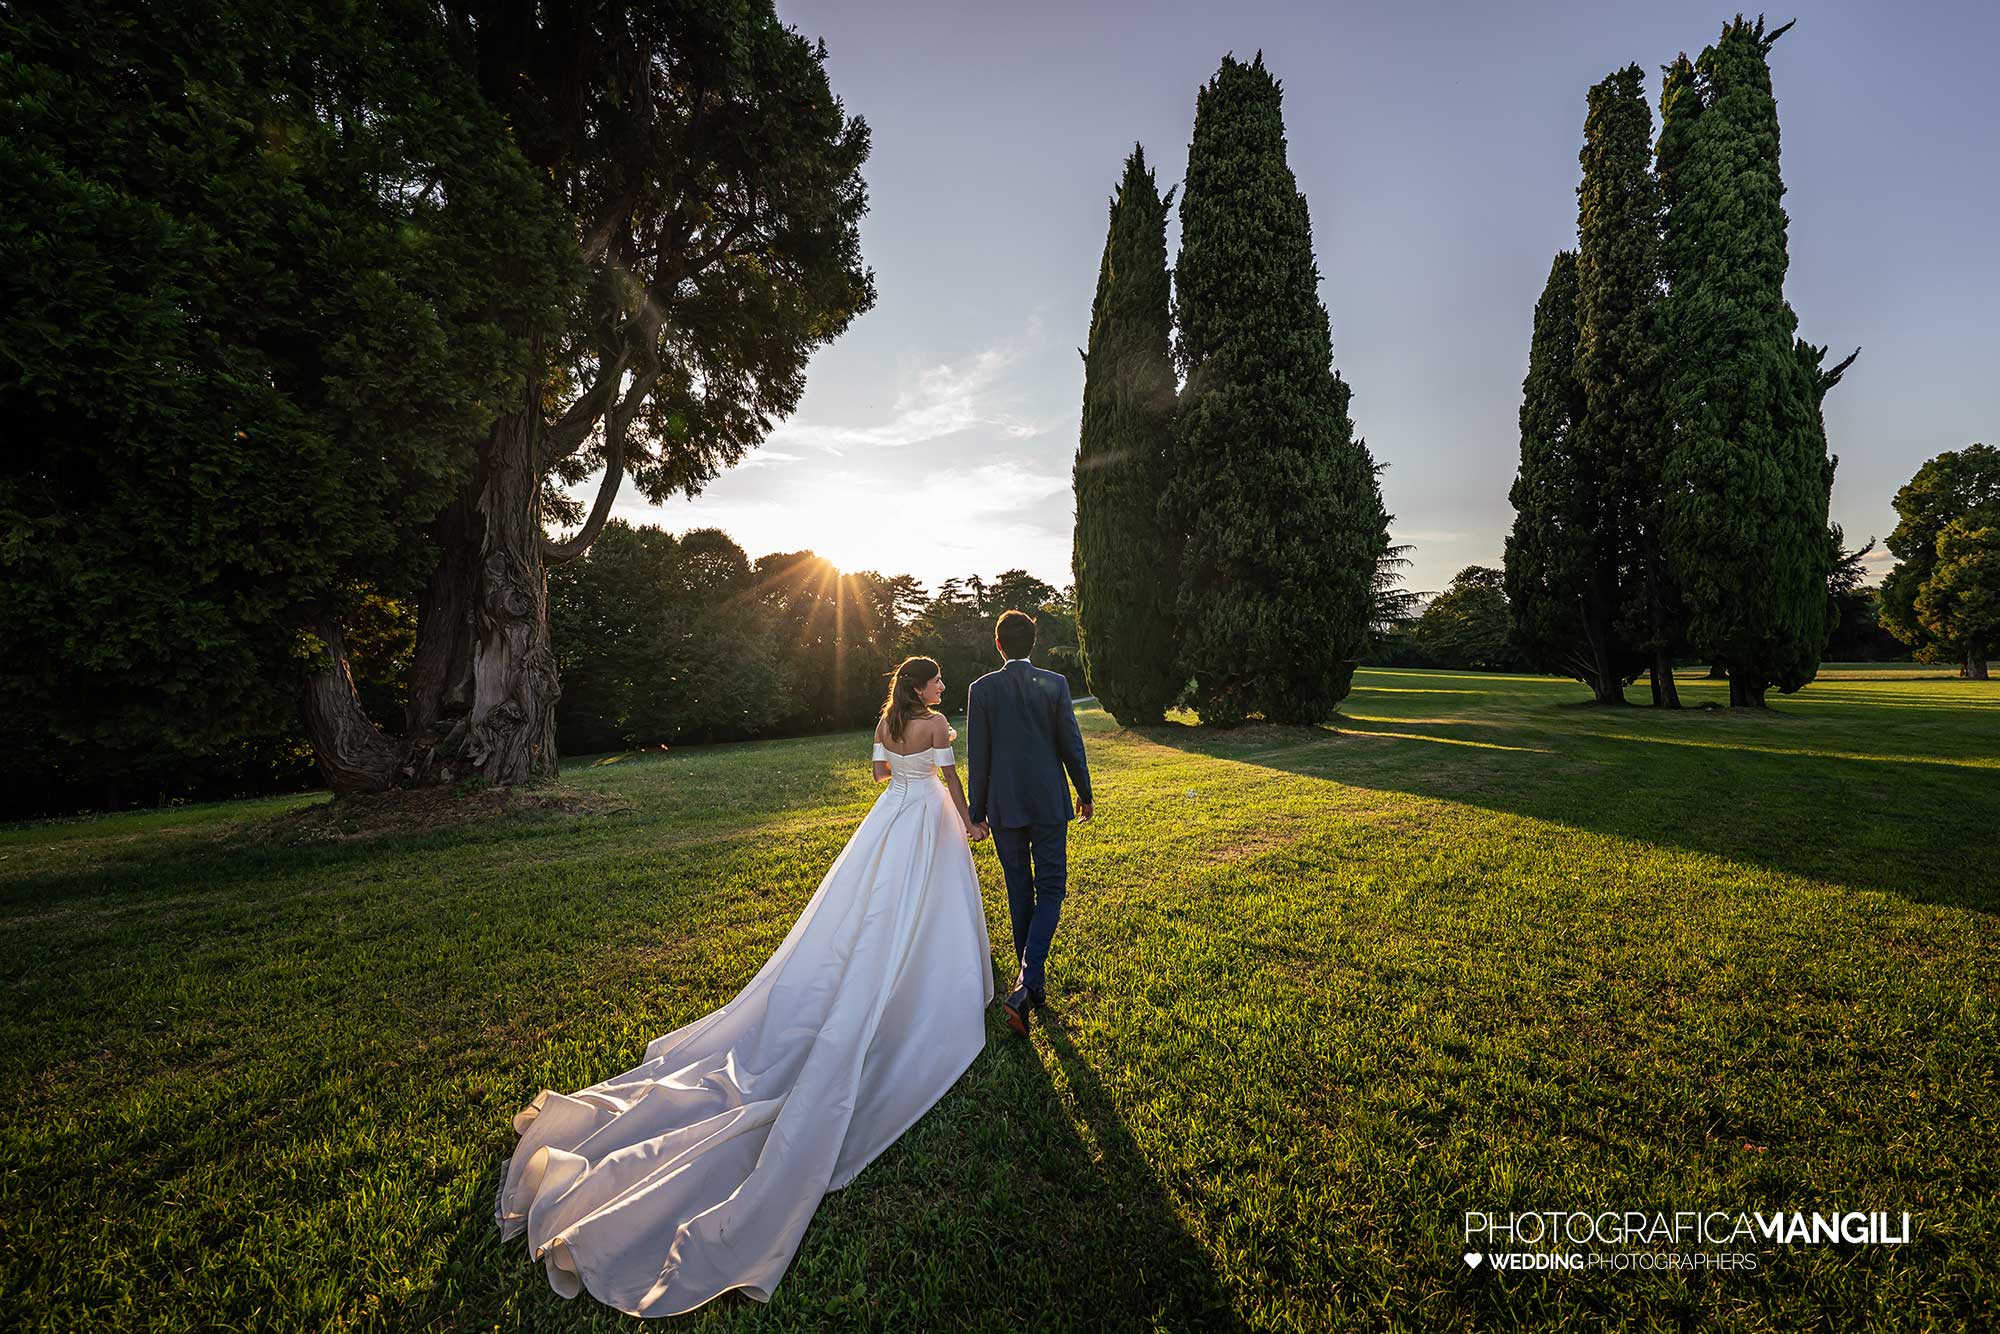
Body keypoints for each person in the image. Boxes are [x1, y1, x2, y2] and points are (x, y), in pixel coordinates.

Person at [494, 656, 993, 1317]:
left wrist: (904, 779)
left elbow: (879, 775)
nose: (941, 691)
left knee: (866, 912)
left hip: (889, 820)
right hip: (924, 816)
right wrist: (965, 819)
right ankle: (928, 982)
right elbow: (951, 782)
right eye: (937, 682)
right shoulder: (934, 727)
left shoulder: (889, 722)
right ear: (924, 686)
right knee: (923, 907)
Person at [965, 608, 1093, 1036]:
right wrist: (1085, 792)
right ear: (1032, 644)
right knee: (1053, 887)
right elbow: (1070, 743)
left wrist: (976, 811)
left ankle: (1029, 985)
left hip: (1004, 807)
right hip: (1048, 803)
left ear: (998, 644)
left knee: (1019, 888)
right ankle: (1026, 983)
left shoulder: (981, 689)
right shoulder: (1055, 684)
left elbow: (977, 757)